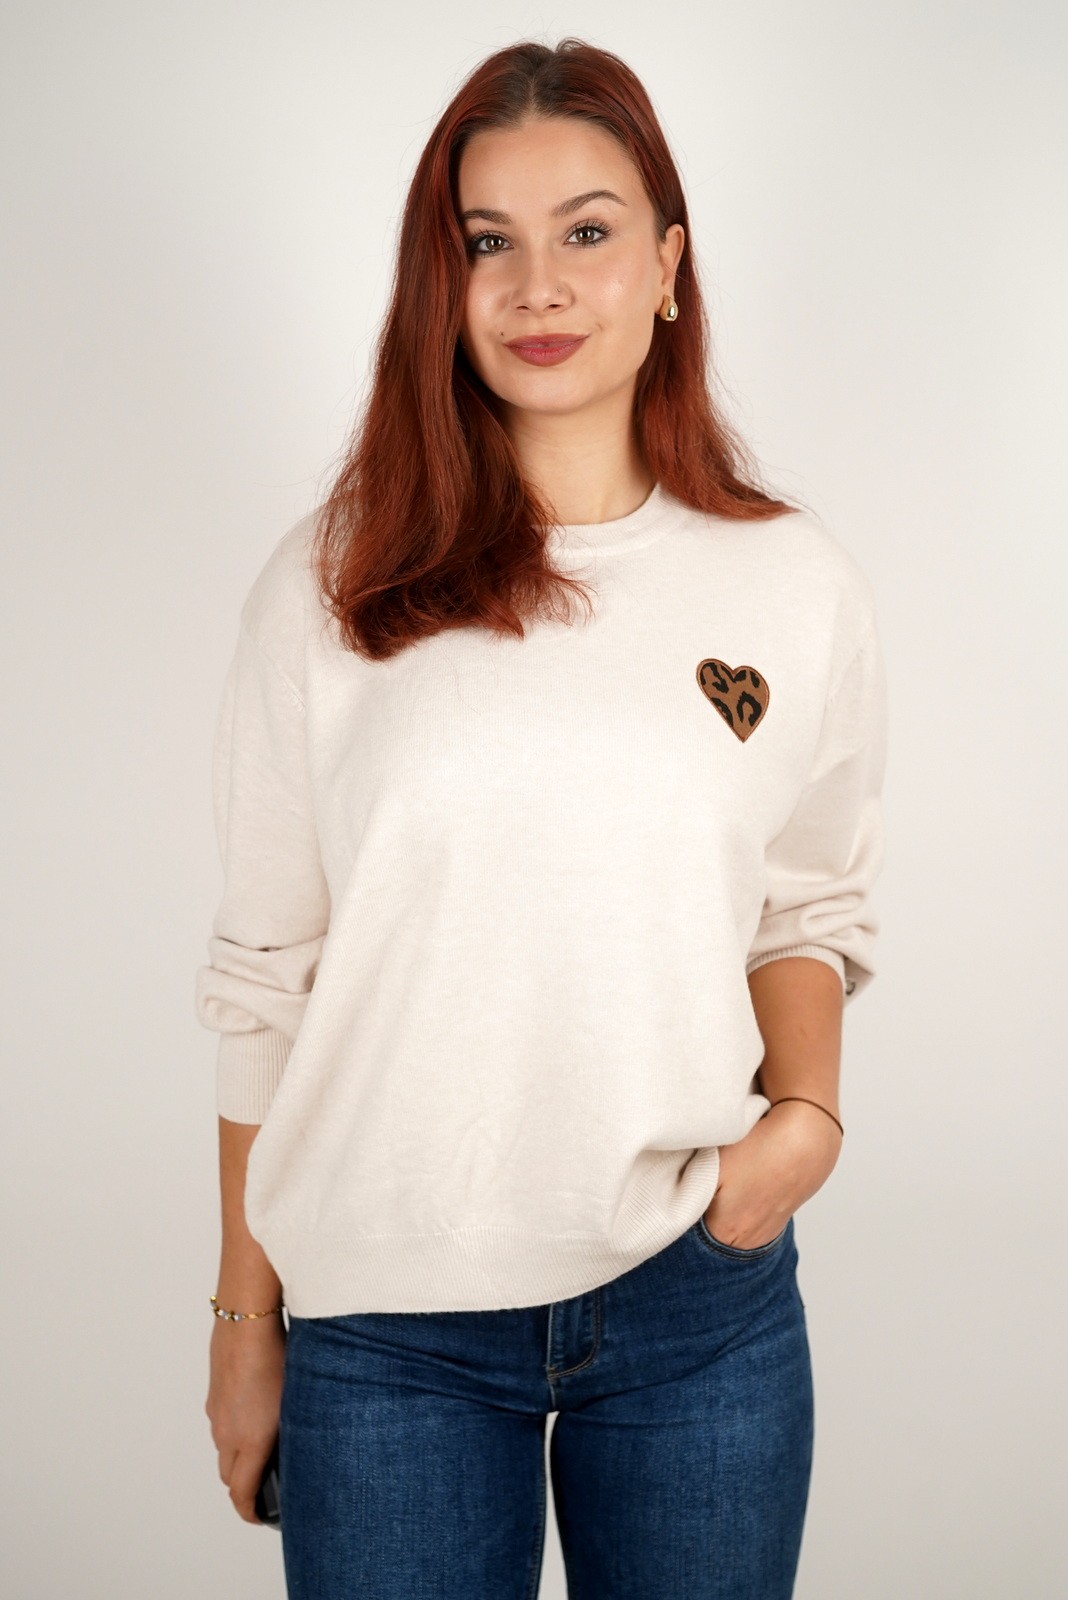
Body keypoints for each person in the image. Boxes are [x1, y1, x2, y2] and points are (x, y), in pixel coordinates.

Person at [198, 35, 888, 1600]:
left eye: (587, 230)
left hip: (697, 1302)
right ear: (439, 285)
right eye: (486, 243)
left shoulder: (792, 581)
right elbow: (262, 977)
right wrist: (245, 1320)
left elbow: (803, 899)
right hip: (388, 1324)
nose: (538, 287)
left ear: (669, 265)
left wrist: (806, 1124)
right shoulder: (330, 585)